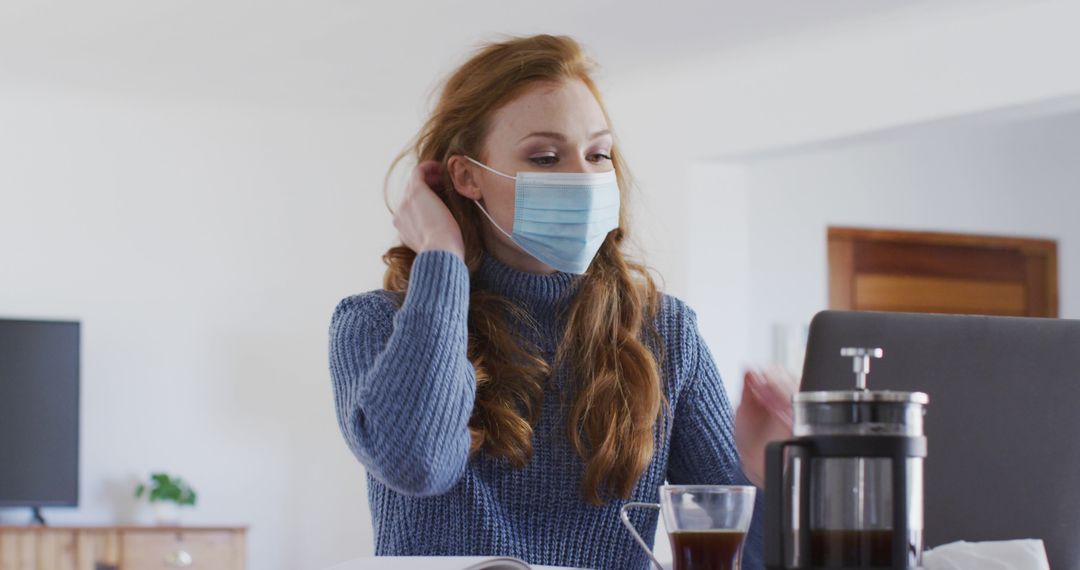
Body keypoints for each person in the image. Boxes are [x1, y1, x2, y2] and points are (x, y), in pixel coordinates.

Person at [328, 34, 794, 570]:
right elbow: (417, 463)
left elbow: (743, 559)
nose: (584, 177)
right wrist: (440, 258)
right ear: (467, 176)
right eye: (546, 157)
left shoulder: (665, 332)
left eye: (598, 153)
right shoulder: (374, 324)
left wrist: (764, 473)